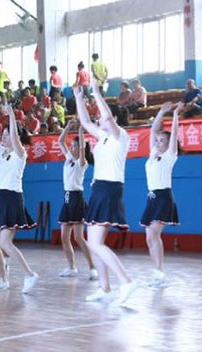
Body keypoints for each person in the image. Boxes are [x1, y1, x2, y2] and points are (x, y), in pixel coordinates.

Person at [73, 76, 138, 305]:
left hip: (110, 189)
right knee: (93, 243)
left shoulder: (121, 137)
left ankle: (126, 281)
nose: (98, 119)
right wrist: (79, 98)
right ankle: (105, 288)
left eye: (102, 117)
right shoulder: (102, 138)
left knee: (97, 243)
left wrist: (96, 92)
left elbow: (107, 118)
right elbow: (85, 121)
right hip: (99, 189)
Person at [0, 104, 39, 294]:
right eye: (3, 134)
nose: (4, 136)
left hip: (11, 199)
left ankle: (30, 274)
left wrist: (10, 116)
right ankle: (3, 279)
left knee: (5, 243)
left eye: (7, 134)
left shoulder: (20, 153)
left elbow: (15, 138)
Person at [140, 102, 183, 287]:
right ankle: (157, 272)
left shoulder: (169, 156)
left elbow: (174, 133)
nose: (157, 143)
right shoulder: (152, 154)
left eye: (161, 141)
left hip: (164, 197)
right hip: (151, 198)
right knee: (149, 237)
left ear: (168, 145)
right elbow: (152, 131)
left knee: (154, 234)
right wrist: (161, 111)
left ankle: (160, 273)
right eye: (156, 141)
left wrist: (175, 115)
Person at [56, 120, 97, 279]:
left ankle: (92, 267)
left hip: (77, 198)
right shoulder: (68, 158)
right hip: (67, 199)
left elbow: (81, 149)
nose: (71, 148)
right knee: (64, 237)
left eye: (74, 146)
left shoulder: (82, 163)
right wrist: (68, 127)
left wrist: (81, 132)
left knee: (78, 237)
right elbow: (60, 141)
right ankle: (72, 267)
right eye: (71, 146)